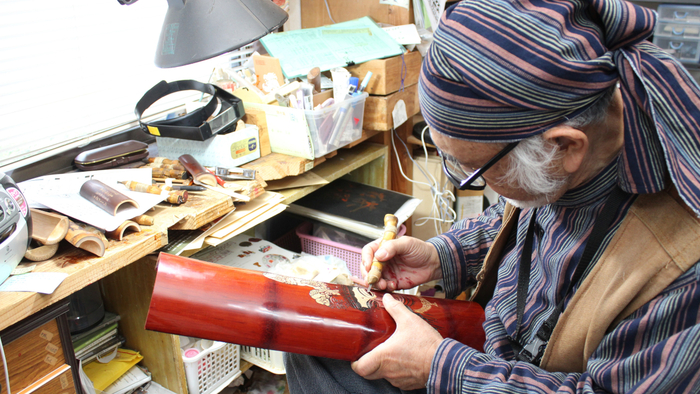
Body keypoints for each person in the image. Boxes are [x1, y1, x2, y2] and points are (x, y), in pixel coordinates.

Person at [284, 0, 700, 392]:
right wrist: (442, 255)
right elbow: (517, 213)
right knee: (312, 340)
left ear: (566, 147)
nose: (464, 177)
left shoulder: (681, 271)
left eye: (472, 167)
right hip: (489, 349)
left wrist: (443, 370)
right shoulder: (569, 152)